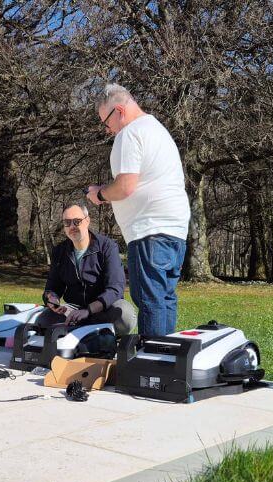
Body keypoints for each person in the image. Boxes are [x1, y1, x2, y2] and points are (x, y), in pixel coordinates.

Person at [86, 83, 191, 337]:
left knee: (149, 299)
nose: (107, 130)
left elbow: (125, 186)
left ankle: (152, 364)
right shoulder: (156, 129)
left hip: (149, 230)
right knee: (164, 298)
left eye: (106, 121)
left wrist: (99, 194)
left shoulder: (130, 132)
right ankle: (165, 358)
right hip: (174, 230)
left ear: (120, 110)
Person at [37, 202, 137, 337]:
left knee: (125, 315)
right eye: (67, 222)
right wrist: (52, 299)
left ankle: (94, 333)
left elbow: (115, 288)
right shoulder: (59, 251)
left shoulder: (107, 247)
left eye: (77, 221)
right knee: (43, 321)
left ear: (87, 221)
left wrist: (88, 310)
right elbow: (53, 286)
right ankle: (86, 332)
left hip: (103, 309)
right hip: (74, 310)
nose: (72, 226)